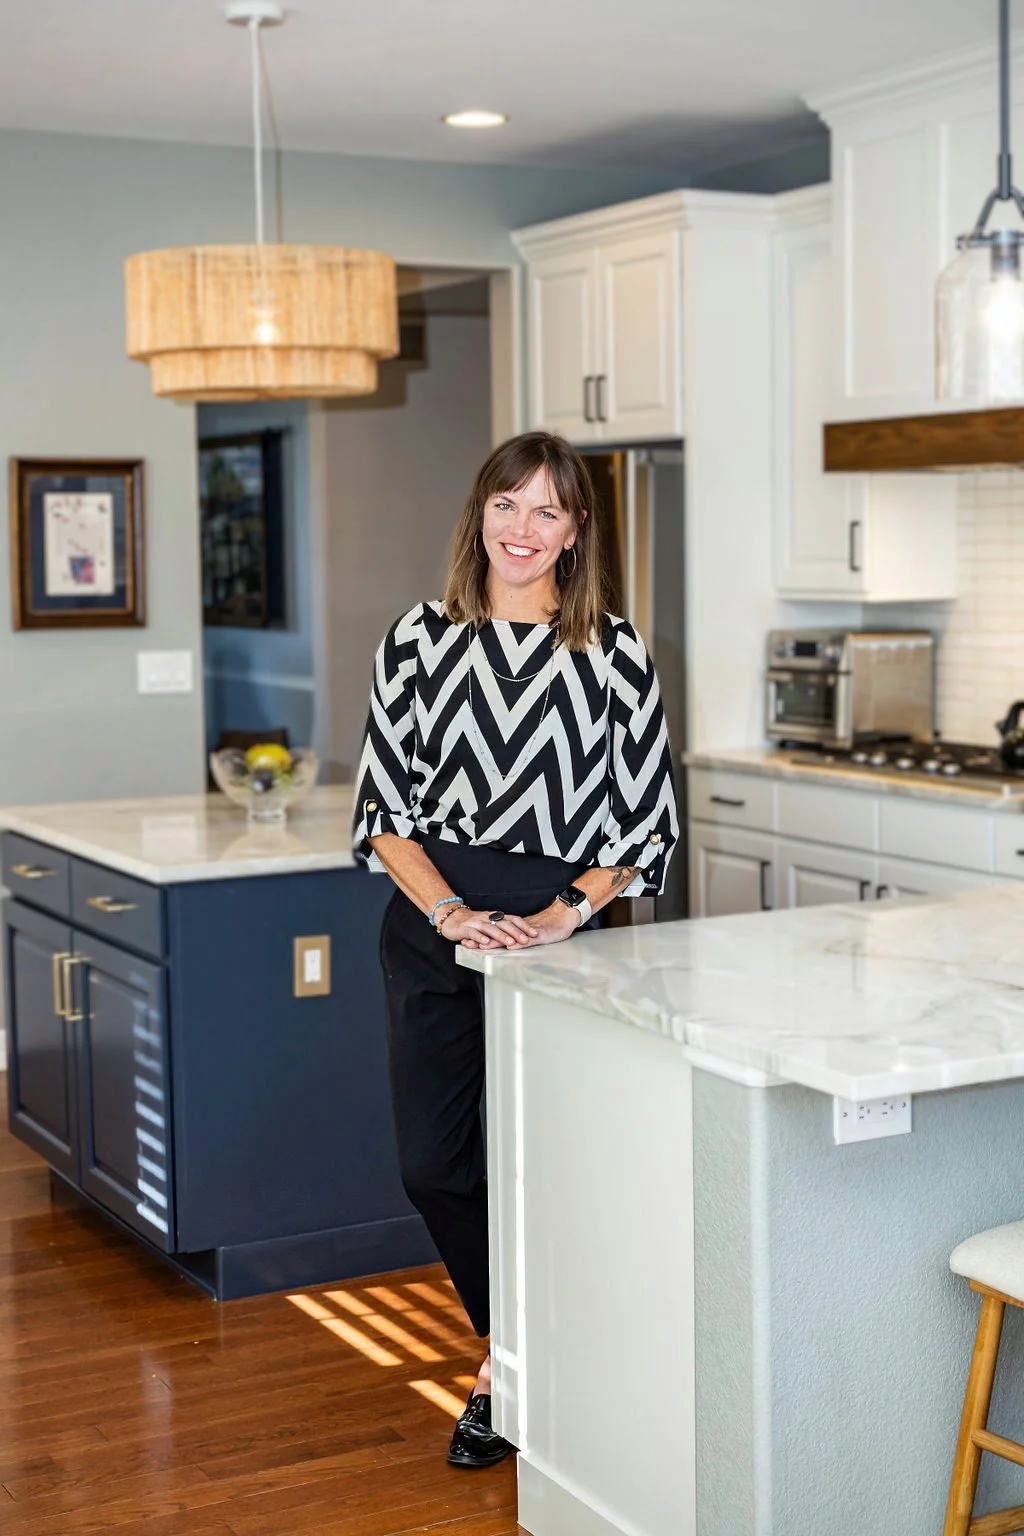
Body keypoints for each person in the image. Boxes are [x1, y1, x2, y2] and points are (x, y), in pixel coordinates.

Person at [351, 430, 678, 1468]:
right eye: (506, 504)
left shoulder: (613, 653)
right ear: (479, 515)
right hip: (434, 928)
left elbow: (643, 824)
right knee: (433, 1165)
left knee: (557, 1169)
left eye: (547, 510)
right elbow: (383, 811)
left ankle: (509, 1379)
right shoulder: (417, 638)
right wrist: (450, 912)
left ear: (575, 532)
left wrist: (563, 913)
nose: (522, 528)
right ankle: (519, 1345)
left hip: (560, 940)